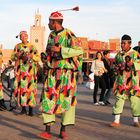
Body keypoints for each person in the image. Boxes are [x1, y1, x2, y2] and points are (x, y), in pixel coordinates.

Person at [38, 11, 83, 139]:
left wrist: (61, 50)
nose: (48, 24)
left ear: (55, 22)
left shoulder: (69, 34)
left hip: (66, 73)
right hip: (52, 73)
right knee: (48, 99)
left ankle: (63, 129)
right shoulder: (51, 35)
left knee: (67, 101)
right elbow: (48, 51)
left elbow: (79, 51)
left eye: (49, 22)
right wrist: (45, 57)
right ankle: (47, 130)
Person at [110, 34, 140, 127]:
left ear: (129, 43)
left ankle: (136, 120)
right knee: (119, 100)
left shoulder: (135, 54)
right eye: (121, 43)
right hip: (121, 81)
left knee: (135, 101)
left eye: (124, 43)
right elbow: (114, 66)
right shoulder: (119, 54)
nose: (122, 45)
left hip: (133, 81)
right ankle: (116, 120)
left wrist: (132, 64)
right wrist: (116, 67)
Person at [11, 31, 40, 116]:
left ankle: (31, 110)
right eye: (21, 36)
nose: (22, 38)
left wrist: (32, 56)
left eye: (23, 36)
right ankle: (23, 109)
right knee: (21, 90)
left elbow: (38, 58)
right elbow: (12, 58)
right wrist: (17, 55)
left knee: (30, 90)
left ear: (27, 36)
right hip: (20, 72)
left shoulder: (32, 47)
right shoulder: (17, 46)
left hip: (30, 72)